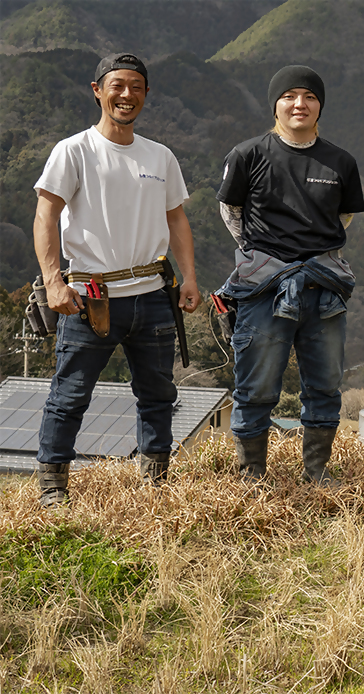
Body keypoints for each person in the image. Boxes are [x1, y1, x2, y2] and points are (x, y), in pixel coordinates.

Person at [32, 53, 200, 507]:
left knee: (159, 394)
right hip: (89, 296)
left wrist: (189, 277)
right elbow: (46, 215)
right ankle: (52, 490)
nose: (127, 95)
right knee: (69, 395)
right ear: (97, 90)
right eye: (118, 86)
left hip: (152, 293)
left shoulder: (159, 156)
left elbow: (177, 218)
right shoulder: (74, 150)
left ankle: (155, 483)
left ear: (146, 94)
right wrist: (52, 280)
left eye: (136, 87)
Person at [216, 65, 364, 485]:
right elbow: (232, 212)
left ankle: (316, 472)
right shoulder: (249, 154)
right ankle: (252, 476)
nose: (299, 104)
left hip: (324, 286)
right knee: (257, 386)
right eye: (289, 96)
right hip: (264, 288)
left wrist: (309, 255)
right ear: (275, 104)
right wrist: (267, 257)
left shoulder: (340, 160)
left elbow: (344, 217)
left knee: (325, 384)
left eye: (309, 97)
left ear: (320, 106)